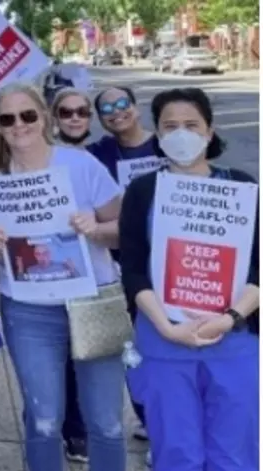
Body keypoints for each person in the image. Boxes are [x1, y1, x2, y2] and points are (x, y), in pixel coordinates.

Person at [119, 87, 259, 471]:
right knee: (178, 454)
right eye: (170, 123)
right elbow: (133, 269)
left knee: (233, 456)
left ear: (209, 128)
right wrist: (166, 325)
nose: (181, 132)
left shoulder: (242, 190)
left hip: (233, 340)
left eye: (191, 123)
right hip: (164, 341)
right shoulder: (146, 192)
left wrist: (230, 316)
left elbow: (256, 271)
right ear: (158, 132)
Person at [0, 83, 131, 471]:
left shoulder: (81, 166)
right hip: (28, 309)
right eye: (8, 119)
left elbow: (121, 227)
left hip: (90, 301)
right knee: (44, 419)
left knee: (106, 420)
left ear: (44, 116)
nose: (19, 126)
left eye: (27, 115)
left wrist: (96, 228)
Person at [88, 86, 158, 443]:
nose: (117, 112)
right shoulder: (99, 154)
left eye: (122, 104)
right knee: (133, 346)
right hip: (124, 265)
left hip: (171, 262)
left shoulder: (165, 144)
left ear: (136, 106)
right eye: (107, 109)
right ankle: (146, 417)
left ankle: (170, 420)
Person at [49, 88, 94, 462]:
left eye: (82, 111)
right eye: (66, 112)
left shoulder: (100, 159)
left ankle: (80, 425)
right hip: (50, 273)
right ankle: (61, 427)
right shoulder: (41, 160)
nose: (75, 118)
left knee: (90, 355)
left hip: (96, 273)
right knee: (56, 357)